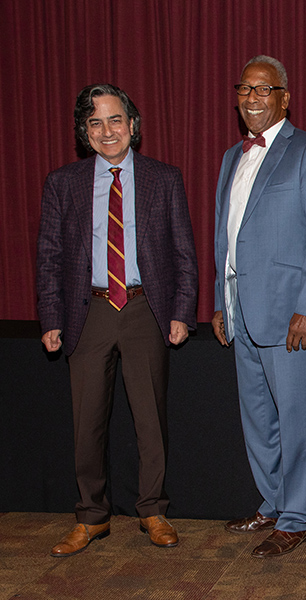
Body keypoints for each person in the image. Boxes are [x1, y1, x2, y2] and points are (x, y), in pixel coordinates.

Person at [37, 84, 198, 556]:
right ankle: (91, 517)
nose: (107, 131)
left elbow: (183, 253)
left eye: (115, 120)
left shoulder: (163, 179)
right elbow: (48, 256)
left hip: (145, 309)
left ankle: (152, 509)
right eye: (95, 123)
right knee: (87, 421)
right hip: (86, 312)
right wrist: (50, 317)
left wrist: (181, 312)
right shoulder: (62, 183)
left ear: (133, 125)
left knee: (151, 420)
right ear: (84, 133)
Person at [212, 55, 306, 558]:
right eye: (244, 89)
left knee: (294, 417)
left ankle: (296, 516)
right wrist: (221, 303)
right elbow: (228, 237)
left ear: (284, 98)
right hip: (241, 310)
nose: (252, 98)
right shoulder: (231, 157)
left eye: (263, 89)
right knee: (257, 418)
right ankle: (271, 502)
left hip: (292, 317)